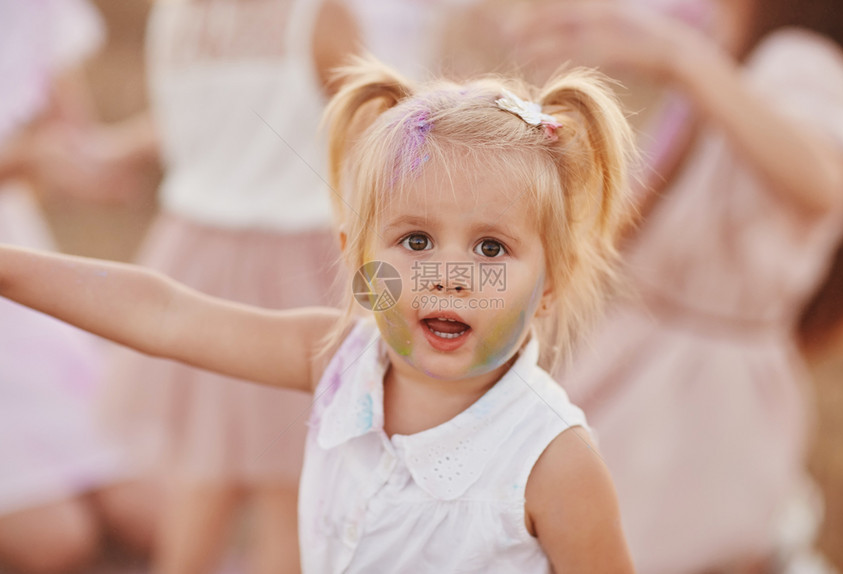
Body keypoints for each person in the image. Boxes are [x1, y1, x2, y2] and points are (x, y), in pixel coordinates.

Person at [0, 56, 638, 573]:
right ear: (356, 260)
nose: (449, 275)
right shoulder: (341, 362)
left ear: (551, 282)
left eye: (491, 247)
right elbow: (165, 315)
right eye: (415, 241)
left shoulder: (553, 461)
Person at [513, 1, 843, 572]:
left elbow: (824, 181)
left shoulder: (798, 60)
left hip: (702, 392)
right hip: (648, 357)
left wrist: (687, 62)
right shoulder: (723, 41)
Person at [37, 1, 362, 572]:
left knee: (202, 464)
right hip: (298, 252)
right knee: (291, 479)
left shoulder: (179, 14)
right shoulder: (319, 14)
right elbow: (371, 130)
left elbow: (190, 118)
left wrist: (117, 147)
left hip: (195, 248)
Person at [0, 0, 159, 572]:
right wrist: (29, 159)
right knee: (55, 542)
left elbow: (76, 144)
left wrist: (165, 134)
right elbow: (36, 155)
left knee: (154, 512)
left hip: (16, 267)